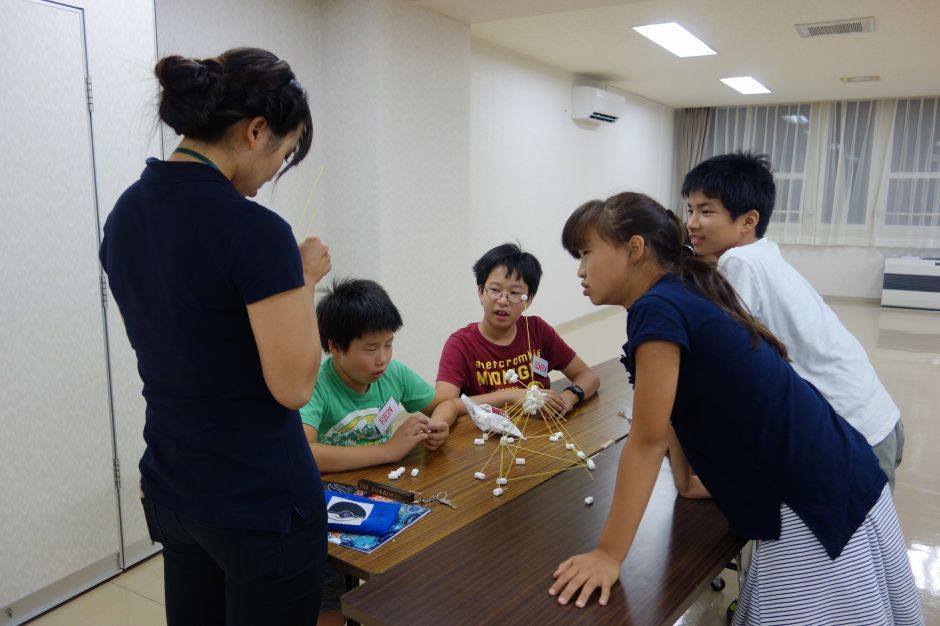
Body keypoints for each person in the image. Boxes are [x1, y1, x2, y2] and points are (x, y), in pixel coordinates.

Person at [548, 192, 923, 624]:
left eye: (585, 253)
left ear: (634, 249)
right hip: (834, 471)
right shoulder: (683, 290)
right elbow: (678, 407)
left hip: (810, 499)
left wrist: (609, 554)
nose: (580, 270)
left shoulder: (655, 309)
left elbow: (647, 441)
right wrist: (687, 480)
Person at [100, 48, 329, 626]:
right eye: (282, 153)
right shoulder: (254, 230)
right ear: (255, 132)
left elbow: (157, 342)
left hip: (174, 484)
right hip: (257, 500)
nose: (274, 172)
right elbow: (295, 386)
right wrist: (302, 280)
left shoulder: (125, 214)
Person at [683, 151, 904, 489]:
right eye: (691, 209)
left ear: (748, 220)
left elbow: (726, 358)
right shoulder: (762, 253)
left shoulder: (740, 263)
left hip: (852, 432)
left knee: (859, 541)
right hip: (874, 418)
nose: (692, 223)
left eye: (706, 210)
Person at [300, 278, 449, 625]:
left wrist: (438, 425)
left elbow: (445, 402)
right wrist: (386, 451)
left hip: (385, 499)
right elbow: (304, 453)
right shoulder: (315, 384)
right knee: (329, 602)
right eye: (370, 348)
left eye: (389, 344)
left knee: (413, 583)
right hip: (330, 515)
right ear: (336, 347)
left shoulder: (392, 373)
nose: (382, 358)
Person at [433, 243, 599, 423]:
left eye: (514, 293)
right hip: (488, 441)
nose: (503, 301)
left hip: (542, 431)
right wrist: (511, 396)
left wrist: (567, 399)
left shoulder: (536, 330)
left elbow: (589, 377)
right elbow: (444, 405)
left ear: (528, 300)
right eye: (495, 290)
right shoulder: (461, 344)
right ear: (481, 292)